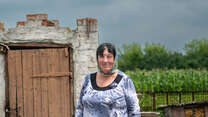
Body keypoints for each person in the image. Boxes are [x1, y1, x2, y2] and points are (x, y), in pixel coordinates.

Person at [75, 43, 140, 117]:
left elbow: (134, 111)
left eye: (109, 57)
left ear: (114, 59)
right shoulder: (88, 79)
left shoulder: (124, 80)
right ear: (97, 59)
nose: (105, 60)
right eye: (101, 56)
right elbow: (80, 109)